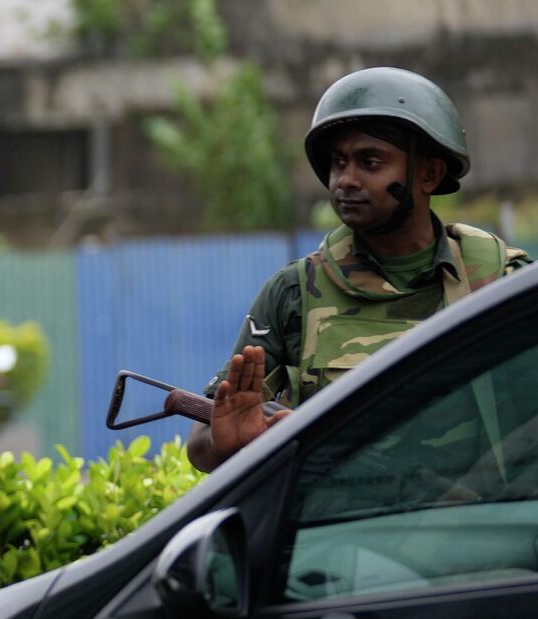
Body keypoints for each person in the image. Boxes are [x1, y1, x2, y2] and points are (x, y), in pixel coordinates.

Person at [189, 67, 530, 472]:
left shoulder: (500, 279)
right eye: (338, 162)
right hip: (336, 534)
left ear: (430, 174)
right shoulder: (294, 294)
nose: (345, 180)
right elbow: (205, 442)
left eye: (370, 161)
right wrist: (226, 442)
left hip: (475, 528)